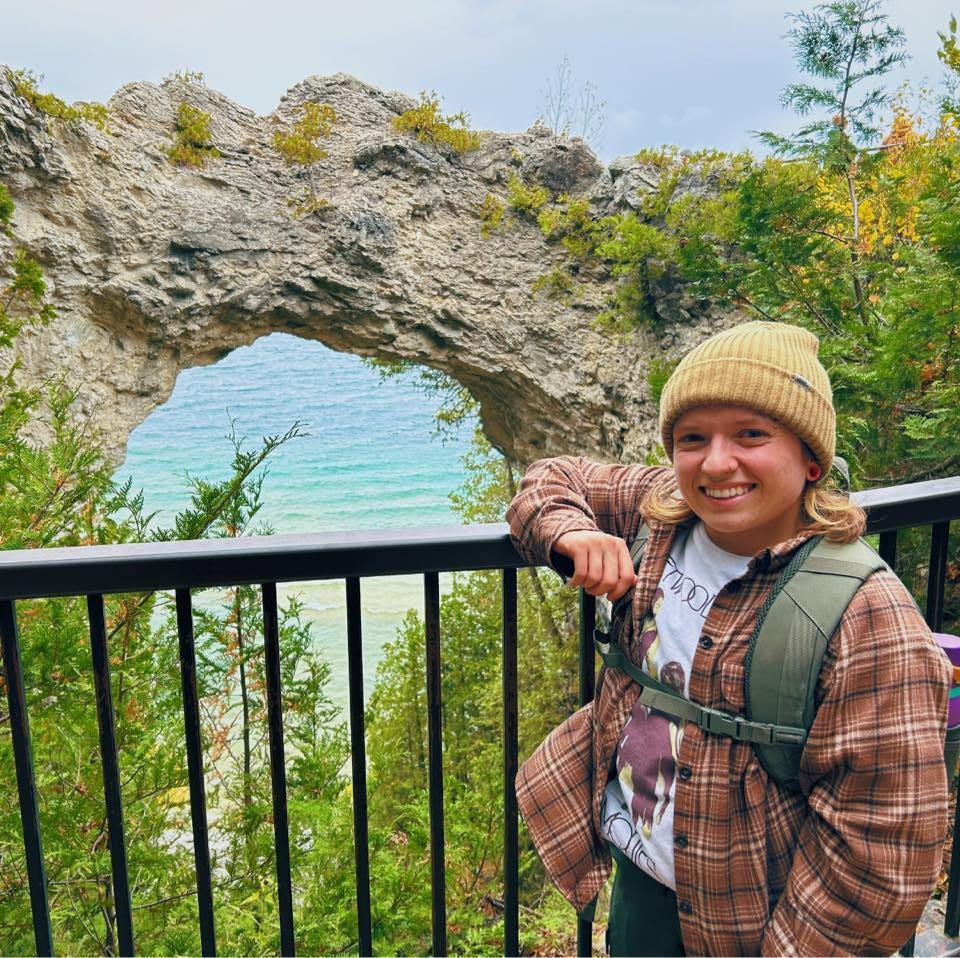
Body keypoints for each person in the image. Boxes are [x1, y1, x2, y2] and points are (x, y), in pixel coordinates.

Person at [506, 321, 950, 956]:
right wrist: (571, 535)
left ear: (811, 459)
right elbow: (551, 479)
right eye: (693, 438)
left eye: (751, 434)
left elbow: (881, 856)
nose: (716, 463)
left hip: (755, 923)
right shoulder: (663, 515)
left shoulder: (866, 618)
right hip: (641, 888)